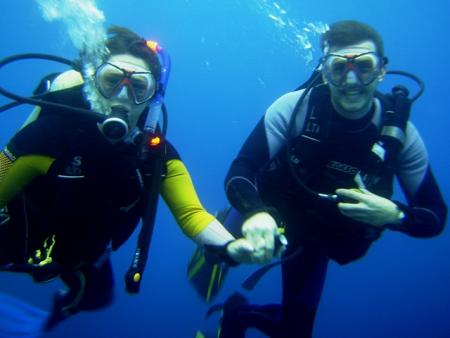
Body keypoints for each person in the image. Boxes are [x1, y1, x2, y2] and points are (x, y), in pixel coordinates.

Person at [0, 26, 257, 333]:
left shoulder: (155, 156)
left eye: (138, 86)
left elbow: (192, 214)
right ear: (94, 83)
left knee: (97, 297)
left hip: (80, 256)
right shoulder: (48, 136)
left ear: (153, 97)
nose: (123, 95)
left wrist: (231, 246)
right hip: (15, 238)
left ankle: (45, 322)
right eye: (111, 81)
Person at [218, 20, 447, 337]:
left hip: (316, 239)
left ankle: (236, 314)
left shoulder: (400, 136)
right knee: (216, 253)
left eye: (364, 67)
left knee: (295, 332)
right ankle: (225, 227)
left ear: (382, 70)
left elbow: (435, 215)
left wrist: (395, 215)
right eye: (339, 68)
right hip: (272, 208)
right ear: (324, 72)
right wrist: (254, 210)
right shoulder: (294, 108)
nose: (351, 80)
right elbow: (241, 169)